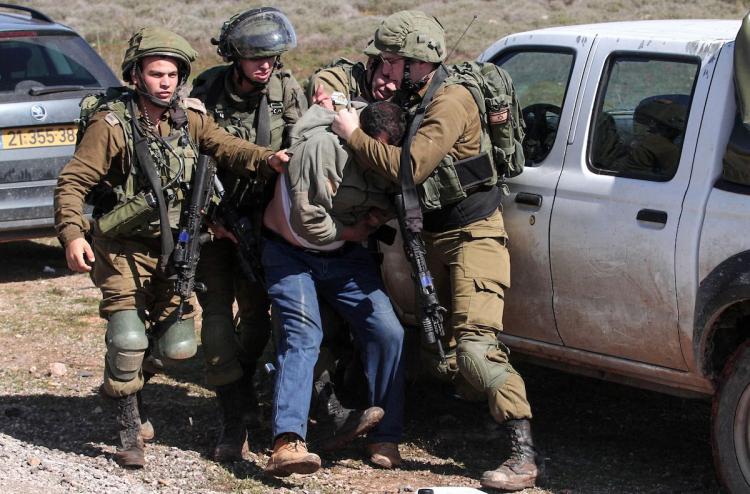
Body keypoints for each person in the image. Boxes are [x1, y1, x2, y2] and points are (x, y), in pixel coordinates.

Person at [53, 26, 287, 469]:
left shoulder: (189, 118)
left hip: (177, 249)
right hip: (123, 247)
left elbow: (226, 146)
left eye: (172, 75)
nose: (165, 83)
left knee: (177, 348)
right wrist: (73, 233)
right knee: (128, 337)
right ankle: (129, 431)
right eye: (156, 74)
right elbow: (73, 181)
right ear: (135, 75)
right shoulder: (111, 125)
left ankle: (125, 383)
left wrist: (267, 159)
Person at [332, 10, 540, 491]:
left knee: (475, 348)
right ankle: (468, 421)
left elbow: (411, 168)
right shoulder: (416, 96)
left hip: (473, 234)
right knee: (440, 351)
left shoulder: (451, 100)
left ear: (416, 62)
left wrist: (352, 134)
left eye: (392, 61)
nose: (385, 70)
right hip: (431, 237)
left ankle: (523, 454)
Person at [261, 101, 408, 477]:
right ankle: (287, 442)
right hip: (291, 254)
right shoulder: (324, 149)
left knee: (388, 331)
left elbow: (392, 202)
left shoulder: (394, 157)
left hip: (344, 257)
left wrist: (375, 217)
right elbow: (307, 220)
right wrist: (354, 231)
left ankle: (384, 436)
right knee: (303, 336)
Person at [189, 7, 307, 462]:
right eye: (256, 57)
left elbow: (300, 147)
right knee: (218, 324)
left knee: (257, 320)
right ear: (234, 57)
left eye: (272, 58)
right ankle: (233, 417)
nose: (266, 66)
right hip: (214, 221)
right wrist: (209, 219)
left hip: (264, 220)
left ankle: (247, 393)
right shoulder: (207, 89)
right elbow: (191, 153)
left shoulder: (284, 89)